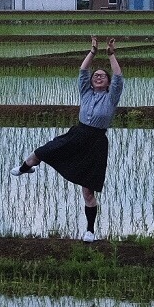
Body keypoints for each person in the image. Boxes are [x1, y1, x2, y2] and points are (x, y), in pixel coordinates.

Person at [15, 36, 121, 241]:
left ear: (107, 83)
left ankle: (90, 230)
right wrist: (92, 52)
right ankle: (23, 168)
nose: (98, 77)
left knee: (88, 191)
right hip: (77, 134)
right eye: (96, 75)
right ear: (91, 82)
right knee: (44, 151)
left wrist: (110, 54)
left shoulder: (111, 97)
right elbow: (83, 72)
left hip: (96, 143)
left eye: (102, 76)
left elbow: (118, 77)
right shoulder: (86, 93)